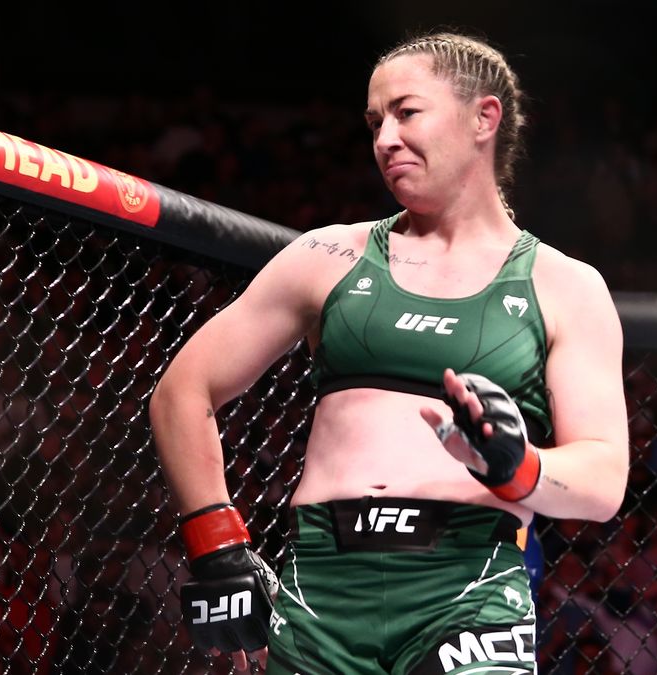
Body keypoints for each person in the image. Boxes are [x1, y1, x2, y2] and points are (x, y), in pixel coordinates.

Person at [149, 30, 629, 674]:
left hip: (468, 587)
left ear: (484, 117)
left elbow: (603, 480)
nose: (384, 139)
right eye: (375, 122)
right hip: (320, 588)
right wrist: (218, 548)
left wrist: (521, 469)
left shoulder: (565, 285)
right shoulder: (328, 257)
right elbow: (183, 391)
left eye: (406, 112)